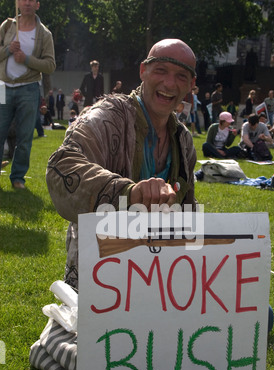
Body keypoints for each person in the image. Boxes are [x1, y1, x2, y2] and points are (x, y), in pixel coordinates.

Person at [46, 38, 198, 289]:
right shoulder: (107, 117)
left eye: (181, 76)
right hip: (100, 277)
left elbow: (189, 211)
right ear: (143, 71)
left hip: (162, 278)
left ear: (191, 85)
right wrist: (129, 193)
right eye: (160, 70)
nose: (169, 83)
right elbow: (61, 168)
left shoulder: (183, 142)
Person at [0, 0, 55, 189]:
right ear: (18, 3)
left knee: (24, 137)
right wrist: (8, 50)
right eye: (23, 0)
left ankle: (17, 178)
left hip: (29, 88)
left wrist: (27, 59)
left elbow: (50, 65)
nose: (27, 3)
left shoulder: (44, 34)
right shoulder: (7, 26)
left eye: (32, 0)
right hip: (3, 86)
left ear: (38, 5)